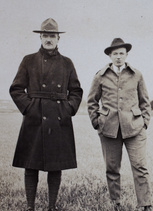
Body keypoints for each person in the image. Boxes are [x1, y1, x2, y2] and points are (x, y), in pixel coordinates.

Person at [9, 18, 83, 211]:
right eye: (46, 35)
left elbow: (76, 91)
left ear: (58, 39)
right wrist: (29, 108)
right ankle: (30, 207)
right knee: (30, 164)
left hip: (58, 119)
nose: (49, 39)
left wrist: (67, 109)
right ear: (40, 37)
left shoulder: (67, 63)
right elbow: (16, 89)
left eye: (53, 36)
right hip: (34, 118)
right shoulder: (28, 60)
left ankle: (52, 207)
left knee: (55, 165)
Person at [87, 38, 152, 211]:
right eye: (115, 54)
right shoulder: (100, 76)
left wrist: (144, 121)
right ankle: (115, 203)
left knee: (140, 166)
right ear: (110, 55)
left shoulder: (136, 74)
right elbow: (92, 101)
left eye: (121, 53)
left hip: (134, 128)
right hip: (109, 129)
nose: (118, 57)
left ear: (126, 55)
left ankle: (145, 204)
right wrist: (96, 122)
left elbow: (145, 101)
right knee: (112, 168)